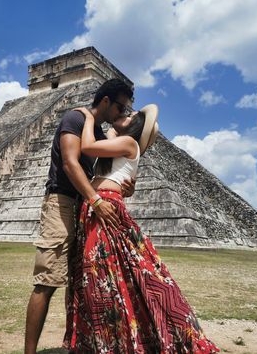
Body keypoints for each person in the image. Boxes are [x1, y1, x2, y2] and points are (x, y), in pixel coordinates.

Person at [63, 105, 220, 353]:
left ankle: (119, 339)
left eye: (129, 115)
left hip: (105, 207)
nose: (123, 114)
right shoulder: (118, 142)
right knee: (106, 275)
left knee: (101, 273)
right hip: (97, 207)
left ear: (134, 125)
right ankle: (110, 339)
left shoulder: (128, 143)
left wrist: (90, 117)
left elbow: (87, 147)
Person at [24, 78, 135, 354]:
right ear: (106, 101)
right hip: (62, 202)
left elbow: (105, 173)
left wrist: (124, 186)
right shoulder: (75, 118)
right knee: (47, 282)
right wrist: (96, 200)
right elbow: (70, 163)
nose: (123, 114)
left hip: (83, 207)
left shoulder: (95, 132)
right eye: (121, 107)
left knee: (77, 283)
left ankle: (74, 344)